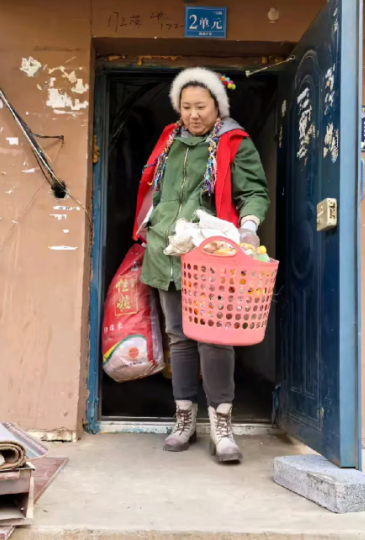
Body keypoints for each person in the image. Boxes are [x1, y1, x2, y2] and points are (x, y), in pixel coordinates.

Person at [133, 67, 269, 463]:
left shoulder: (234, 142)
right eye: (186, 107)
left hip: (212, 256)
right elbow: (155, 191)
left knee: (215, 337)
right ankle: (184, 420)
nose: (193, 115)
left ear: (218, 106)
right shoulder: (169, 140)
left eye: (201, 107)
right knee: (179, 335)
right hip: (166, 252)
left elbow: (254, 191)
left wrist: (248, 227)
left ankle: (222, 424)